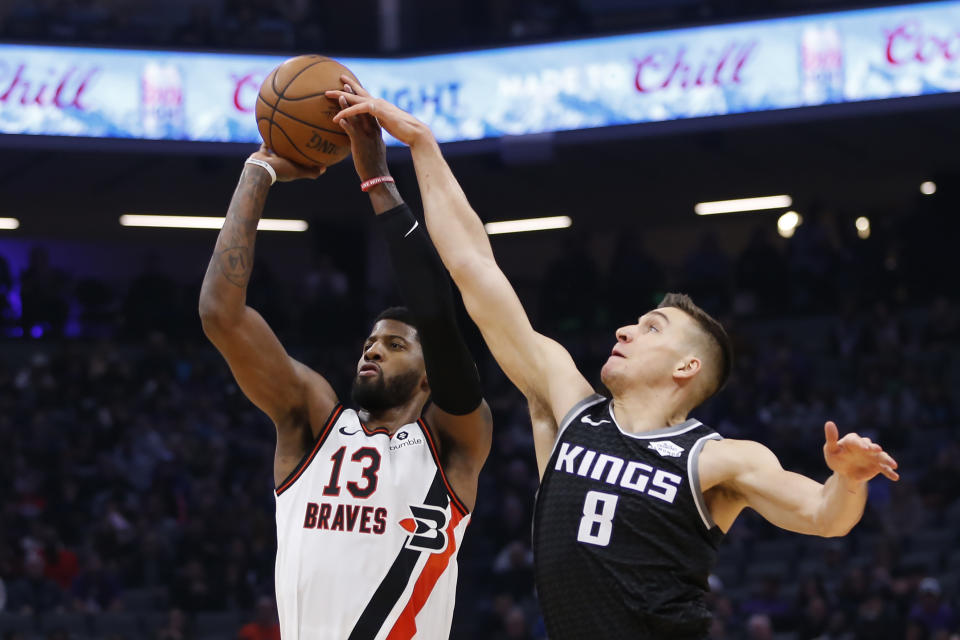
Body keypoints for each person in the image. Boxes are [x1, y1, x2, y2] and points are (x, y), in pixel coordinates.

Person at [328, 84, 900, 640]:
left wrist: (848, 480)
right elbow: (474, 266)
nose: (626, 329)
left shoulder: (717, 460)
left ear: (686, 369)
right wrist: (422, 143)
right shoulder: (565, 406)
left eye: (652, 328)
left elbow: (826, 516)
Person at [198, 86, 492, 638]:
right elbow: (221, 315)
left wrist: (378, 179)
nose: (373, 349)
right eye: (369, 344)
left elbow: (437, 311)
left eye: (396, 344)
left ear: (431, 374)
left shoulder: (455, 444)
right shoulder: (312, 422)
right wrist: (257, 172)